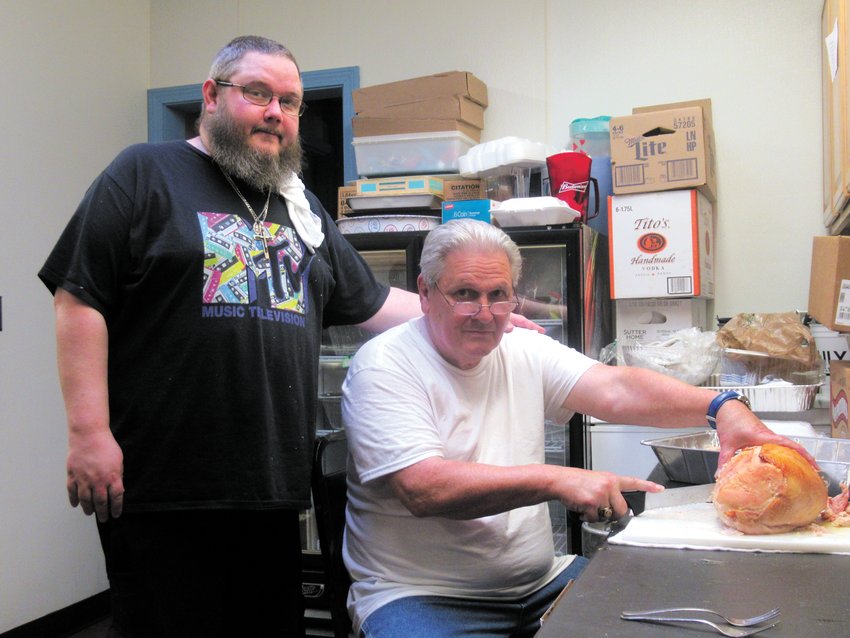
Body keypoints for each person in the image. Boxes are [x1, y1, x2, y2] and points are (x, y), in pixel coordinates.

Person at [38, 35, 460, 637]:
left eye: (290, 102)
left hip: (270, 484)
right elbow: (79, 298)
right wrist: (89, 432)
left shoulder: (300, 206)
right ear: (211, 96)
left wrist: (467, 315)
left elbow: (371, 304)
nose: (276, 113)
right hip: (163, 482)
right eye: (258, 93)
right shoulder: (144, 173)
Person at [341, 219, 813, 638]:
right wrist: (556, 479)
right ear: (425, 293)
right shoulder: (385, 367)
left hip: (542, 583)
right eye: (465, 294)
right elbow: (424, 488)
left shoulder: (520, 347)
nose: (485, 313)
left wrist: (721, 406)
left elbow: (615, 388)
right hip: (422, 596)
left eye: (498, 295)